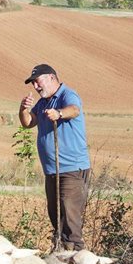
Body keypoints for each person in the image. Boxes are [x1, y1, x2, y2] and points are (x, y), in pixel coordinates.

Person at [18, 63, 91, 251]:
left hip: (71, 169)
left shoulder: (67, 94)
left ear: (51, 77)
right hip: (52, 171)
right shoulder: (43, 102)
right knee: (56, 216)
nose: (35, 86)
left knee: (69, 220)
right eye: (33, 83)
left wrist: (59, 113)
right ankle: (61, 252)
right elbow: (28, 122)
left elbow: (74, 109)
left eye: (38, 81)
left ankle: (75, 255)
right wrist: (23, 110)